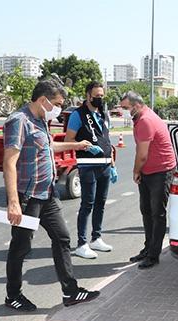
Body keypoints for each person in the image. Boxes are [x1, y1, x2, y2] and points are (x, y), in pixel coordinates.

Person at [3, 79, 100, 311]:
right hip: (28, 196)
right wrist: (14, 203)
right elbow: (9, 162)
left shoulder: (41, 120)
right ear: (43, 100)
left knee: (62, 238)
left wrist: (76, 146)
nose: (59, 109)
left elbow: (46, 147)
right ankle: (13, 295)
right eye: (56, 104)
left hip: (47, 193)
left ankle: (71, 292)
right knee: (21, 247)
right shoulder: (19, 121)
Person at [119, 91, 176, 269]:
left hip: (161, 171)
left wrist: (136, 171)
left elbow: (142, 155)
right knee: (146, 210)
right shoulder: (141, 117)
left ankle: (153, 255)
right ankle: (148, 248)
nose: (123, 111)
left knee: (157, 213)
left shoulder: (145, 120)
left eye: (126, 108)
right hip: (149, 171)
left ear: (136, 105)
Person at [65, 81, 117, 259]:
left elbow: (107, 141)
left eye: (102, 96)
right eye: (97, 96)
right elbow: (67, 140)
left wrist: (113, 165)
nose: (99, 99)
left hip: (105, 165)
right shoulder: (77, 115)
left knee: (100, 203)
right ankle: (81, 243)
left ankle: (96, 237)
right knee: (88, 204)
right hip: (88, 166)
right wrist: (84, 146)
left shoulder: (103, 114)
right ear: (88, 96)